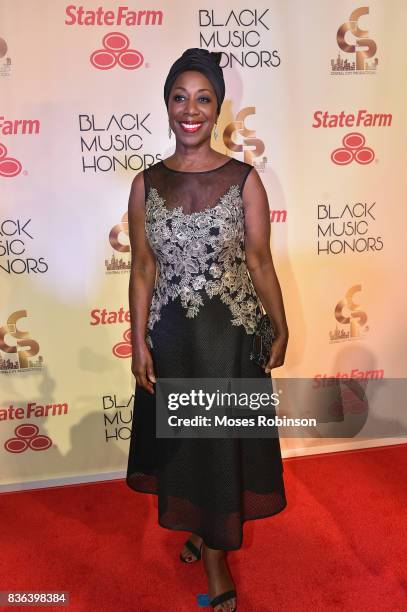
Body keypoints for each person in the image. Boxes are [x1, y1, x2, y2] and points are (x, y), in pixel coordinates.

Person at [126, 48, 289, 612]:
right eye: (180, 97)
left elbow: (261, 262)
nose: (190, 110)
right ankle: (200, 525)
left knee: (221, 443)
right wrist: (137, 337)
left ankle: (218, 553)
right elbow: (143, 267)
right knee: (187, 441)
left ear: (218, 108)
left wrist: (282, 326)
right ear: (166, 104)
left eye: (203, 98)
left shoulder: (244, 179)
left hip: (231, 345)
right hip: (172, 341)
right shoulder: (146, 183)